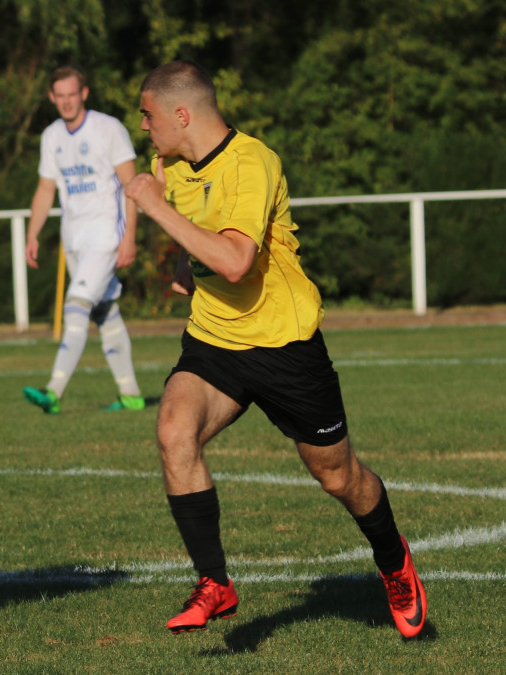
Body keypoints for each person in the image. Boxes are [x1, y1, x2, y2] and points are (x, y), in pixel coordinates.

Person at [124, 60, 427, 638]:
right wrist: (185, 267)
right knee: (173, 431)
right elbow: (203, 237)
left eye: (147, 113)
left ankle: (394, 561)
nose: (143, 125)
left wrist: (153, 207)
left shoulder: (252, 162)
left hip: (284, 344)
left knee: (338, 477)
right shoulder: (174, 169)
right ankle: (215, 583)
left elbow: (237, 261)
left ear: (181, 114)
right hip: (214, 338)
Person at [23, 66, 144, 415]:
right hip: (73, 239)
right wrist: (33, 233)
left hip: (106, 235)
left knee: (76, 306)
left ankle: (53, 391)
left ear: (84, 93)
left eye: (72, 95)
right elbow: (45, 188)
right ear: (52, 97)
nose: (66, 102)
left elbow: (131, 185)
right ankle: (131, 395)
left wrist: (129, 237)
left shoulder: (109, 128)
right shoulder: (51, 136)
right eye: (59, 96)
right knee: (105, 311)